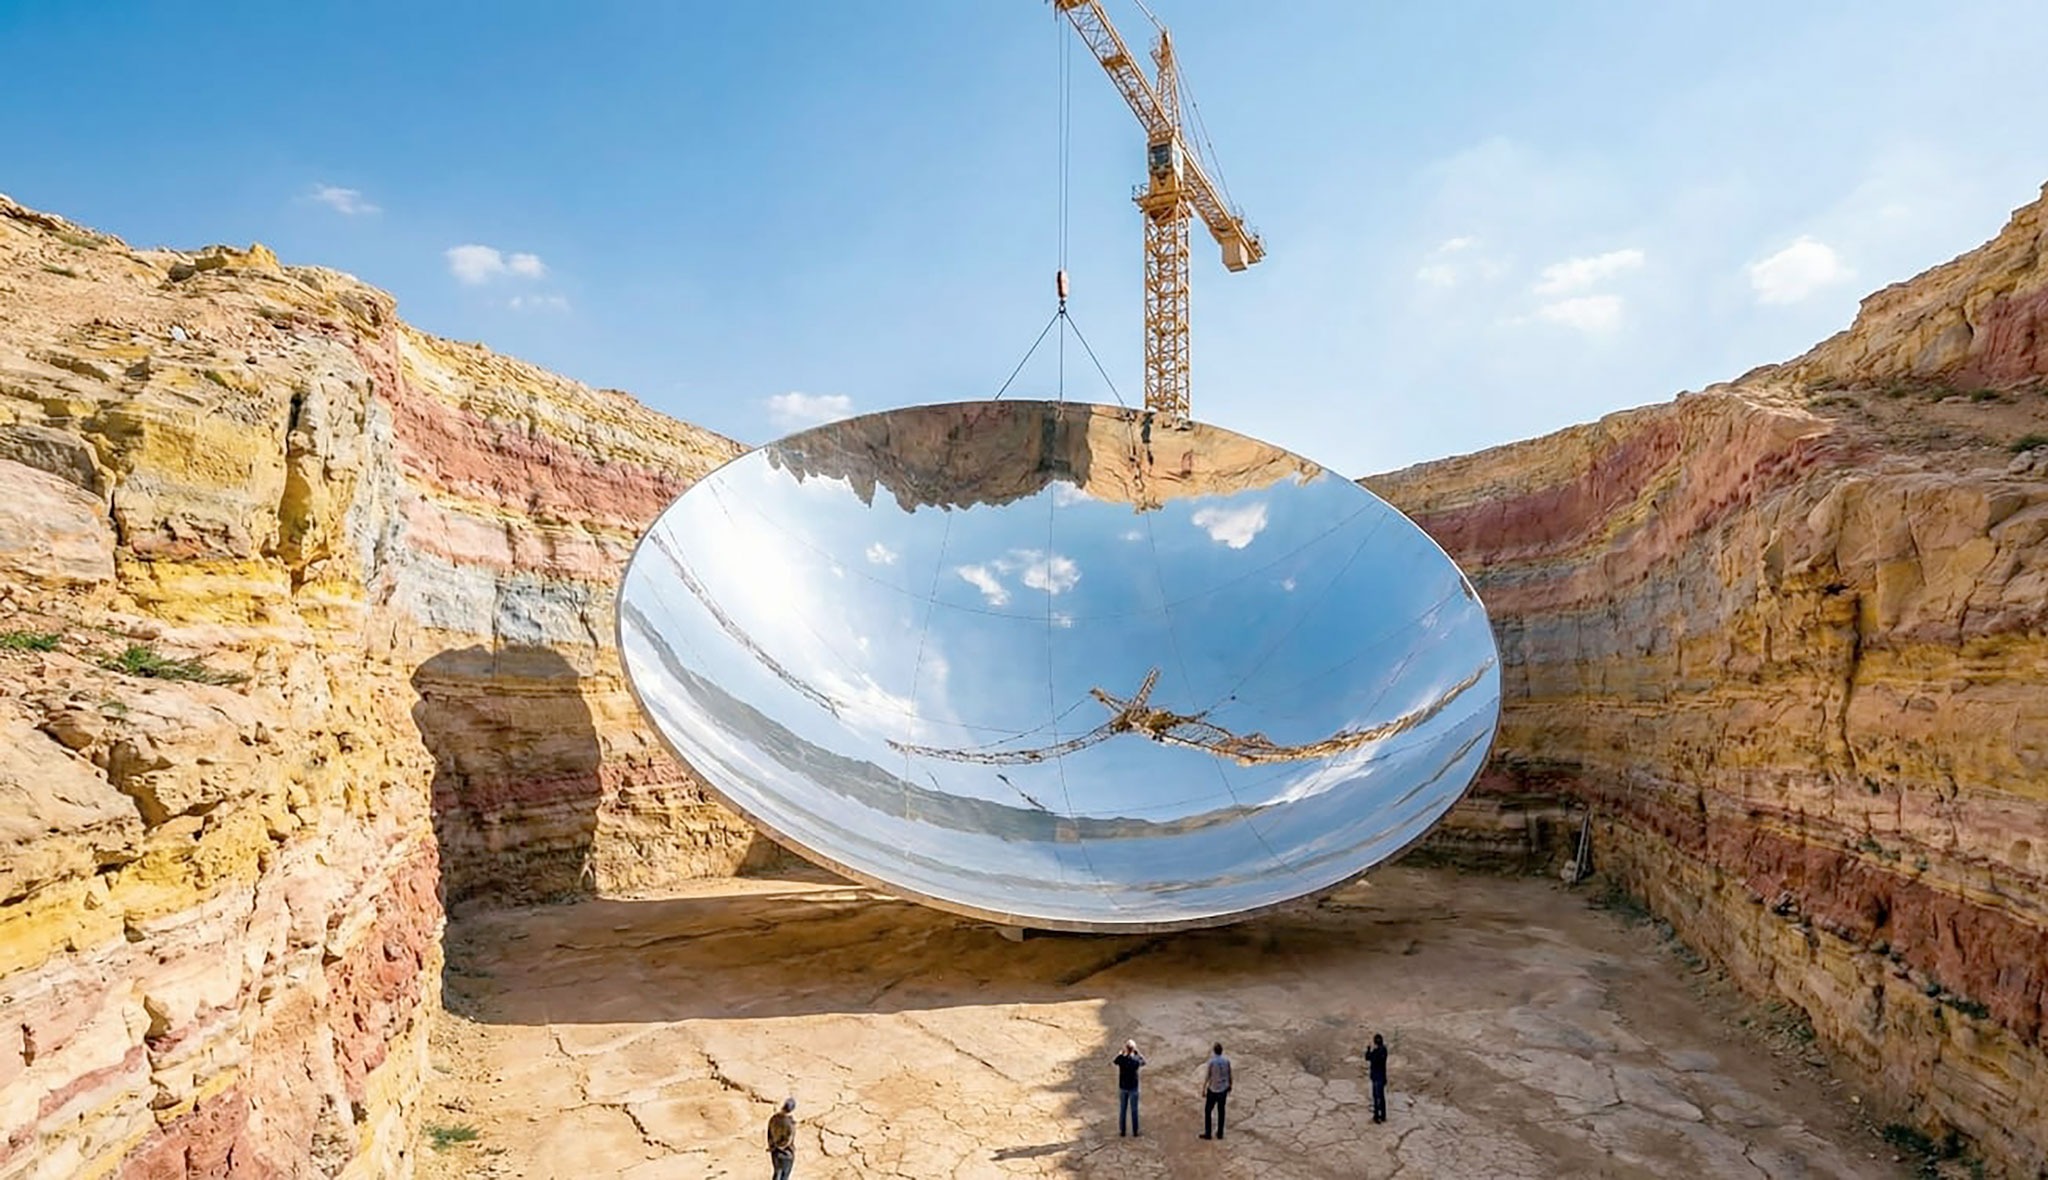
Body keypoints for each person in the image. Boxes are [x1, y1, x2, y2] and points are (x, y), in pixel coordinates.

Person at [1112, 1039, 1146, 1136]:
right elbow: (1143, 1062)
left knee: (1123, 1109)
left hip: (1123, 1087)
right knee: (1134, 1110)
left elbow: (1115, 1061)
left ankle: (1122, 1132)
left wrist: (1121, 1054)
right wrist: (1137, 1053)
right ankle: (1135, 1132)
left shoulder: (1122, 1059)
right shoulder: (1135, 1060)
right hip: (1133, 1087)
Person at [1200, 1042, 1232, 1139]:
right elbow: (1229, 1074)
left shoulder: (1212, 1062)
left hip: (1213, 1089)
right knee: (1221, 1111)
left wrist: (1203, 1088)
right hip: (1223, 1089)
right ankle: (1220, 1133)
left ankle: (1208, 1132)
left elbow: (1208, 1076)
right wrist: (1230, 1085)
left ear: (1214, 1051)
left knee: (1208, 1110)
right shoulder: (1226, 1061)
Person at [767, 1097, 796, 1179]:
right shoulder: (790, 1123)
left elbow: (769, 1134)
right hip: (786, 1153)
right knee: (784, 1176)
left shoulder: (773, 1118)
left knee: (777, 1173)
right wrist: (781, 1147)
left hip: (775, 1152)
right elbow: (789, 1139)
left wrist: (772, 1146)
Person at [1366, 1033, 1389, 1123]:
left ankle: (1376, 1117)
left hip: (1376, 1076)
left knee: (1376, 1097)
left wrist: (1369, 1049)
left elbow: (1368, 1058)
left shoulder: (1376, 1052)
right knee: (1381, 1097)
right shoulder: (1384, 1050)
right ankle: (1383, 1115)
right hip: (1382, 1076)